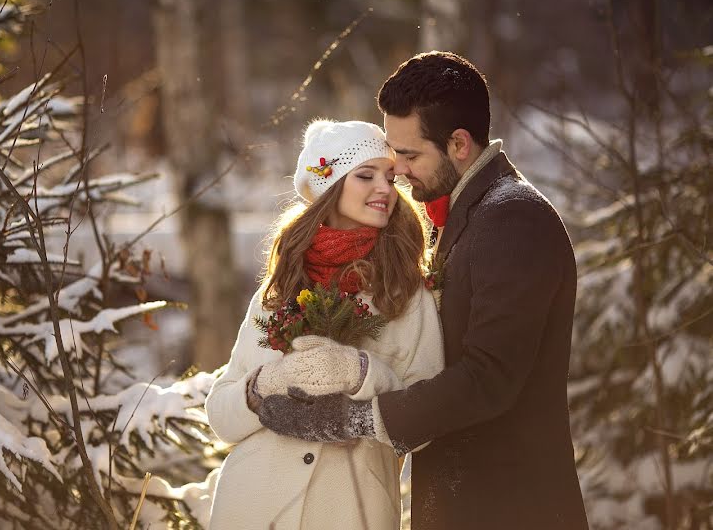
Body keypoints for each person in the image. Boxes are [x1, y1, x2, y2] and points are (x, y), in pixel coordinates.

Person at [257, 52, 590, 530]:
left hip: (511, 503)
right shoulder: (461, 213)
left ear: (458, 143)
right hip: (463, 502)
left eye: (410, 155)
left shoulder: (515, 219)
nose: (399, 171)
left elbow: (489, 377)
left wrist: (356, 419)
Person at [204, 119, 445, 530]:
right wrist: (264, 384)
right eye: (365, 176)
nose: (385, 188)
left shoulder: (405, 291)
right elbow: (221, 416)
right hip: (252, 507)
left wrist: (362, 373)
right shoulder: (280, 288)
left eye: (389, 176)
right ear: (328, 188)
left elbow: (427, 421)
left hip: (348, 512)